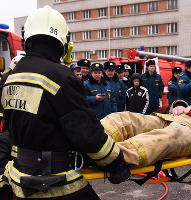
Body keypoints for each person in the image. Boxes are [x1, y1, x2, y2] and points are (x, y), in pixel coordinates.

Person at [0, 6, 130, 199]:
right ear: (63, 43)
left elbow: (9, 129)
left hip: (21, 181)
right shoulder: (61, 77)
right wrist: (116, 162)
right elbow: (86, 134)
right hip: (56, 183)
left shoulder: (9, 77)